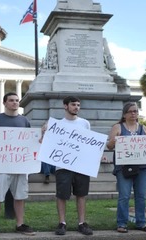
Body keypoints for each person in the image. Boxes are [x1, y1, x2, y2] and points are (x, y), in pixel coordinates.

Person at [0, 92, 35, 238]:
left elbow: (30, 142)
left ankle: (20, 224)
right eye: (11, 100)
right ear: (4, 102)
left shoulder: (24, 121)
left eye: (17, 100)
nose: (15, 103)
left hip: (20, 164)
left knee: (20, 195)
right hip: (1, 165)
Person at [40, 96, 94, 236]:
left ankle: (82, 223)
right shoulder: (57, 124)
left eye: (78, 105)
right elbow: (44, 143)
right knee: (62, 195)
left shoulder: (85, 123)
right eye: (73, 104)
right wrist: (44, 132)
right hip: (62, 166)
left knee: (81, 194)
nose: (76, 107)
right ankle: (62, 223)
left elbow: (89, 143)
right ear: (65, 106)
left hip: (81, 165)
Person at [106, 102, 146, 233]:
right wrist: (114, 140)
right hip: (124, 167)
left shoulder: (144, 128)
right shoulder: (118, 127)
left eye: (136, 111)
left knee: (141, 195)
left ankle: (141, 222)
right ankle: (121, 223)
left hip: (142, 166)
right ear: (125, 114)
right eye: (131, 111)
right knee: (124, 195)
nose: (134, 113)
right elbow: (109, 146)